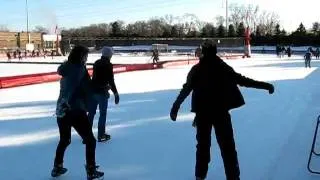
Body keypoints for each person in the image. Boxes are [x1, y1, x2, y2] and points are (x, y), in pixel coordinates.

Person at [170, 40, 275, 180]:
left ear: (204, 52)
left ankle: (200, 177)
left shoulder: (197, 69)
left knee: (203, 148)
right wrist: (265, 86)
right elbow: (242, 80)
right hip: (220, 114)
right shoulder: (221, 67)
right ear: (215, 51)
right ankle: (233, 177)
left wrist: (175, 106)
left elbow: (186, 89)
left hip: (203, 115)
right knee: (228, 149)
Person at [51, 45, 104, 180]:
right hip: (74, 110)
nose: (86, 58)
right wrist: (102, 87)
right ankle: (91, 171)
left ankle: (57, 167)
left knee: (65, 140)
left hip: (62, 110)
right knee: (90, 140)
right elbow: (88, 88)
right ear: (81, 56)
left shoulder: (66, 68)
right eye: (85, 56)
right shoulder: (79, 69)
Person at [88, 46, 120, 142]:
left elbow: (95, 78)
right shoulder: (108, 65)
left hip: (93, 91)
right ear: (109, 55)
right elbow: (111, 80)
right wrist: (115, 93)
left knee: (91, 113)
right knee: (102, 114)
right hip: (102, 93)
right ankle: (101, 135)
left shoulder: (96, 63)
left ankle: (86, 134)